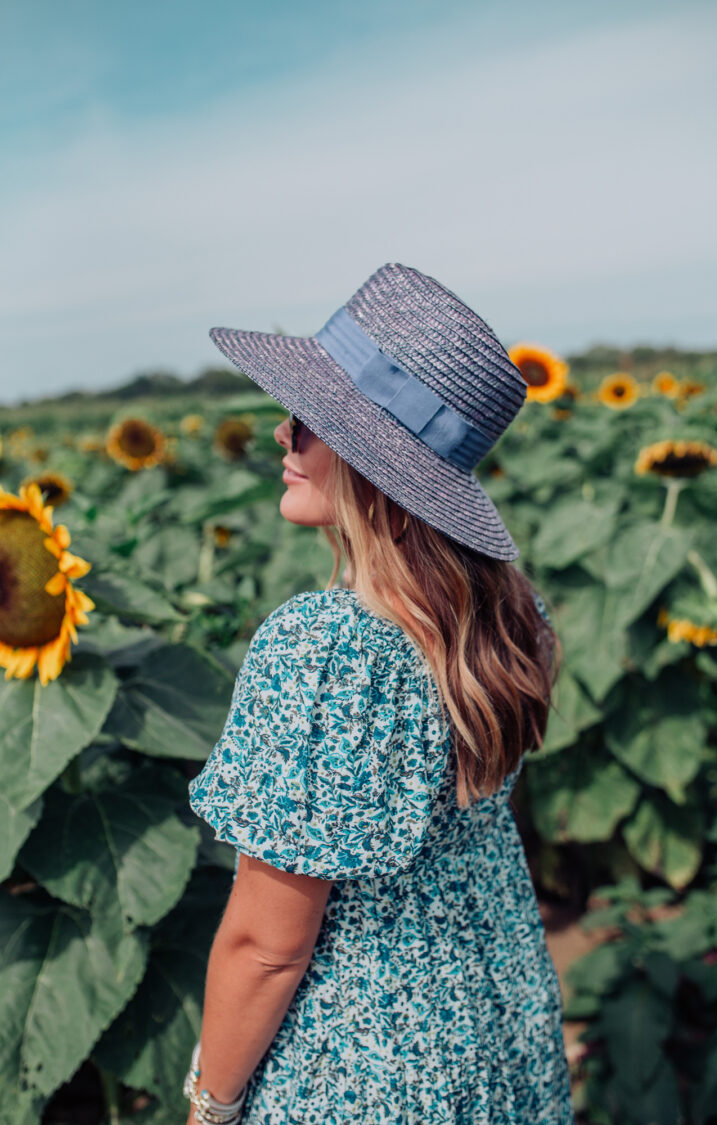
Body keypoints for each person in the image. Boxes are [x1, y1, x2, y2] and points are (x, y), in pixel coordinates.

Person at [184, 263, 574, 1124]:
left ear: (374, 465)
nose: (285, 437)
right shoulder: (508, 612)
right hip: (494, 1013)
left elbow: (266, 945)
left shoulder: (326, 648)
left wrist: (208, 1105)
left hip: (363, 1060)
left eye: (313, 423)